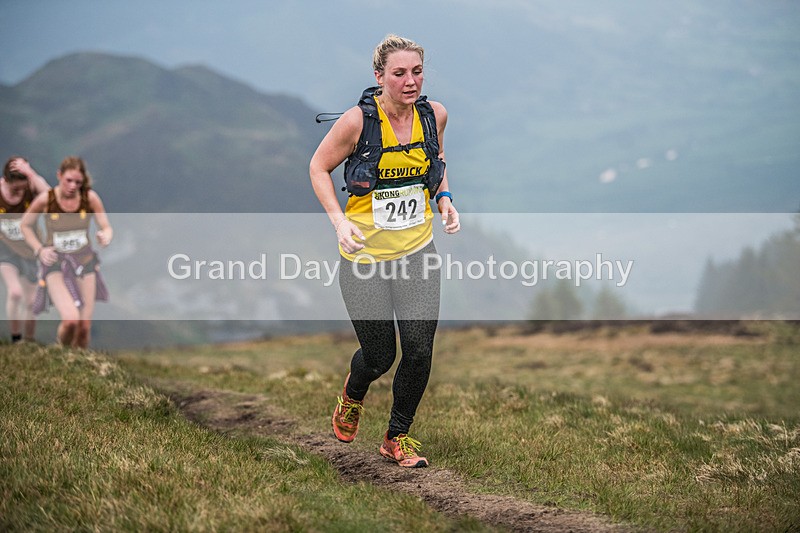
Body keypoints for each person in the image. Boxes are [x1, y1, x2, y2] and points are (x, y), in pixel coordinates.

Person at [309, 34, 460, 468]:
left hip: (418, 254)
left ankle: (397, 437)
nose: (410, 82)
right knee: (380, 356)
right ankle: (353, 394)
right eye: (399, 73)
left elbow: (438, 162)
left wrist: (445, 199)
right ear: (379, 77)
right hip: (365, 260)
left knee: (418, 350)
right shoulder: (357, 122)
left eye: (416, 72)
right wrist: (340, 223)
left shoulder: (434, 116)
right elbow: (318, 168)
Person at [20, 156, 112, 349]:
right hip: (56, 265)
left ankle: (81, 366)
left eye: (77, 182)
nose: (72, 186)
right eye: (68, 180)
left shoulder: (90, 198)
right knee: (71, 320)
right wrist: (40, 250)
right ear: (59, 176)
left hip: (85, 264)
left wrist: (105, 235)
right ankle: (61, 355)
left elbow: (106, 226)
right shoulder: (47, 199)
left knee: (84, 327)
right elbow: (25, 225)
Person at [1, 157, 50, 343]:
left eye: (23, 187)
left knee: (30, 302)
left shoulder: (31, 187)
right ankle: (15, 338)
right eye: (15, 189)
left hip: (30, 249)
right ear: (5, 180)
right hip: (5, 249)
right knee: (15, 292)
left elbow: (52, 197)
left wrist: (32, 174)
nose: (20, 192)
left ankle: (29, 341)